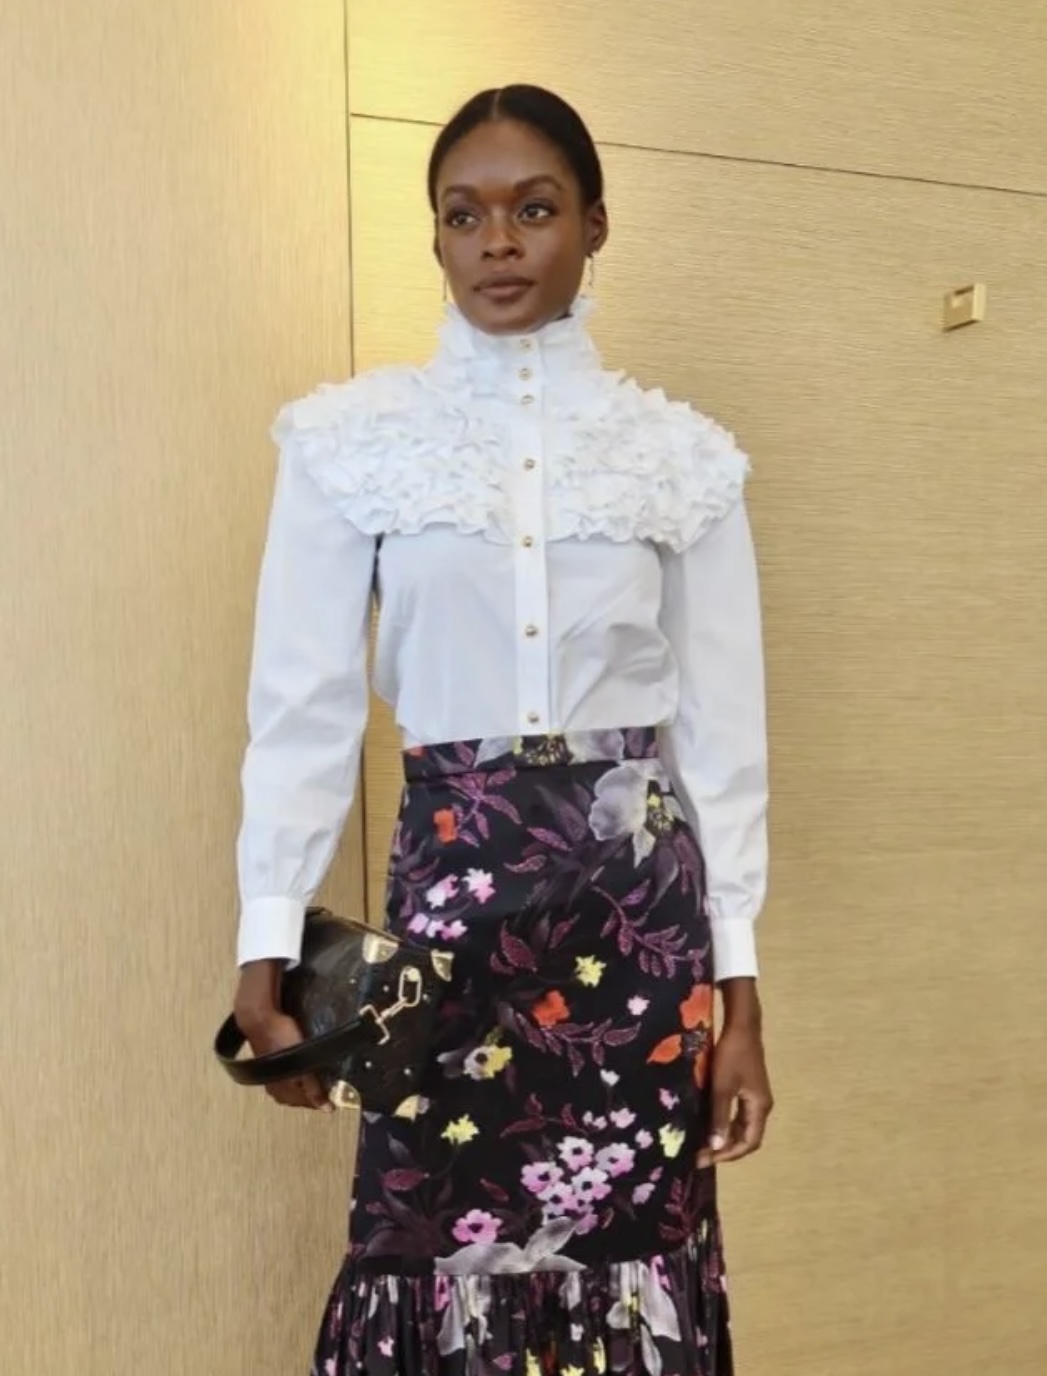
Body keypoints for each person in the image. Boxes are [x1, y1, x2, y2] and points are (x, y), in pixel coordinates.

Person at [232, 83, 773, 1376]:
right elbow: (301, 710)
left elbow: (724, 739)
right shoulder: (350, 444)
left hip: (638, 926)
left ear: (594, 226)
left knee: (633, 1244)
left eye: (534, 210)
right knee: (426, 1239)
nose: (498, 243)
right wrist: (267, 942)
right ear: (434, 236)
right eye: (463, 215)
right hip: (447, 916)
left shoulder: (682, 459)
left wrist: (742, 994)